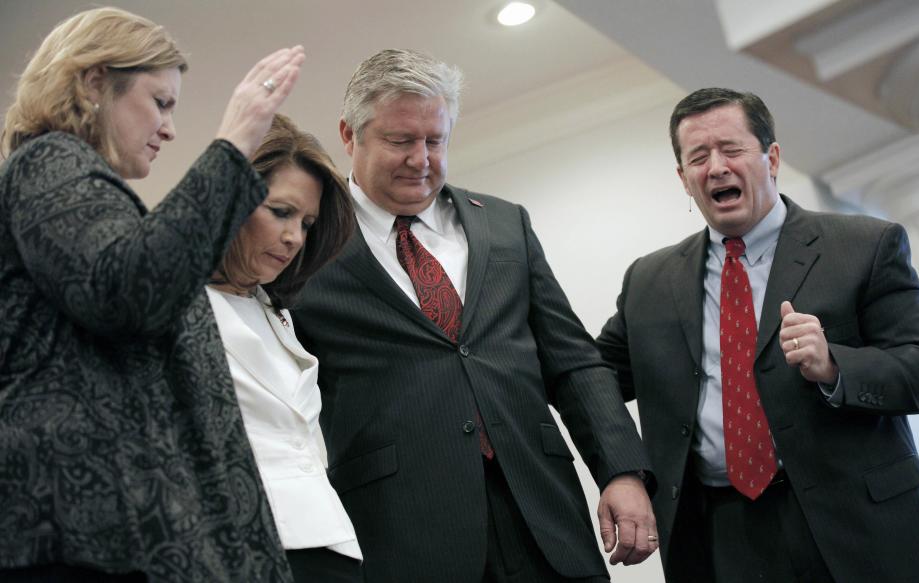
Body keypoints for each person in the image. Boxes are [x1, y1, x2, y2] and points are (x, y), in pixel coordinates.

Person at [290, 48, 656, 583]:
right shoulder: (305, 244)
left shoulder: (506, 225)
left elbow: (573, 362)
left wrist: (622, 470)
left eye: (435, 141)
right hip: (405, 532)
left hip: (544, 518)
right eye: (399, 141)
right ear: (350, 136)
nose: (421, 159)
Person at [597, 87, 919, 582]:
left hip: (861, 529)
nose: (716, 167)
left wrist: (834, 365)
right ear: (684, 179)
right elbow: (591, 381)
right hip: (723, 537)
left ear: (772, 158)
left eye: (731, 149)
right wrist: (624, 473)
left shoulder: (864, 246)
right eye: (698, 157)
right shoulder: (648, 282)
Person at [0, 7, 305, 582]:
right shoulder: (47, 161)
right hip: (79, 537)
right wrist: (236, 139)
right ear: (94, 83)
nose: (169, 127)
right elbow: (129, 292)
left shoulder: (93, 195)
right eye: (160, 102)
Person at [204, 114, 361, 582]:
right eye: (280, 212)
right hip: (241, 546)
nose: (295, 237)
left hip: (332, 541)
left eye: (307, 222)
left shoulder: (278, 313)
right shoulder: (173, 307)